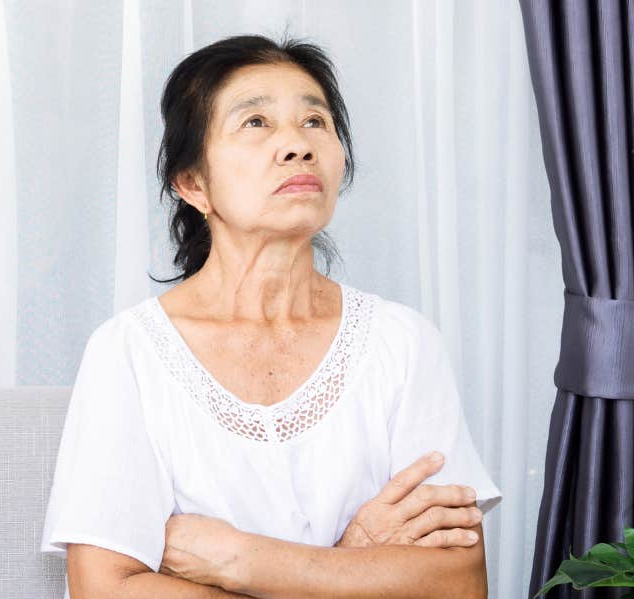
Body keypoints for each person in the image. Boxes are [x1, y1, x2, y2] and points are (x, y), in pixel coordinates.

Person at [41, 35, 501, 598]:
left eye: (315, 121)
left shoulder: (402, 344)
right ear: (192, 183)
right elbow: (105, 589)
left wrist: (240, 559)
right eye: (255, 123)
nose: (297, 146)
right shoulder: (129, 352)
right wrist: (354, 563)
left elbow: (457, 583)